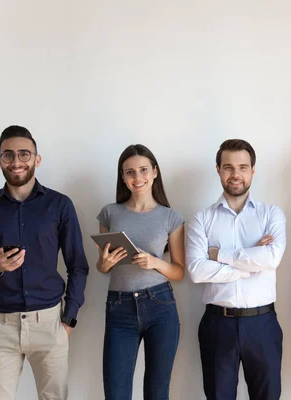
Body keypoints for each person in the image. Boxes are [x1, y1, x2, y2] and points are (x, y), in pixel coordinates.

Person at [0, 125, 89, 400]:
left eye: (24, 154)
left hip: (50, 323)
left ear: (36, 159)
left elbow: (77, 264)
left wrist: (70, 318)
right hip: (0, 327)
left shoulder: (60, 205)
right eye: (8, 155)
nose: (16, 162)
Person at [186, 139, 286, 400]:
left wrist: (219, 255)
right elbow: (196, 270)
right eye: (228, 167)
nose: (236, 174)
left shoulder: (271, 215)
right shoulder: (201, 219)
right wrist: (250, 264)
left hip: (262, 324)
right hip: (218, 324)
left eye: (243, 167)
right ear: (218, 169)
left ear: (253, 170)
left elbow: (272, 258)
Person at [96, 144, 185, 400]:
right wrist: (105, 262)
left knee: (157, 394)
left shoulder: (171, 217)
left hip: (160, 305)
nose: (138, 178)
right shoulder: (110, 213)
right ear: (122, 177)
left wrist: (155, 262)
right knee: (116, 393)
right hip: (119, 306)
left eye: (143, 170)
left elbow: (179, 272)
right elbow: (102, 269)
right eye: (130, 172)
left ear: (155, 172)